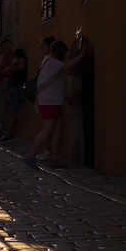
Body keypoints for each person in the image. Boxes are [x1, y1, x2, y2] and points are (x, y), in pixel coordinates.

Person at [22, 38, 87, 170]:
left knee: (57, 129)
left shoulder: (49, 61)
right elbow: (67, 66)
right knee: (47, 130)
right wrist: (82, 56)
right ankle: (30, 155)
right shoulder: (52, 62)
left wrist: (66, 97)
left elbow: (55, 83)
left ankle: (54, 158)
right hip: (48, 102)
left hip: (53, 101)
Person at [0, 40, 27, 141]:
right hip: (14, 85)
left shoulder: (18, 52)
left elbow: (21, 65)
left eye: (4, 49)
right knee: (11, 110)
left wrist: (8, 69)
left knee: (13, 111)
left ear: (8, 45)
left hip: (18, 85)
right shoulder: (15, 54)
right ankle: (9, 132)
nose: (5, 52)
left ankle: (9, 134)